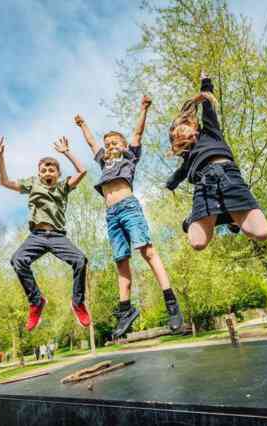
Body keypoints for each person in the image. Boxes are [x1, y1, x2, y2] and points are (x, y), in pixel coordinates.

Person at [74, 96, 184, 339]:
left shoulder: (129, 157)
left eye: (115, 142)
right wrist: (83, 126)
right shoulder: (104, 161)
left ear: (124, 146)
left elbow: (137, 133)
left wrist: (143, 108)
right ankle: (126, 310)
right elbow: (93, 143)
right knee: (120, 261)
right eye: (108, 143)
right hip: (110, 215)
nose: (110, 145)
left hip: (128, 207)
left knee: (148, 252)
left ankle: (171, 303)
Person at [0, 135, 91, 332]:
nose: (47, 172)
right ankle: (36, 301)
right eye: (43, 170)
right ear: (39, 174)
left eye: (51, 169)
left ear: (58, 174)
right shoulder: (33, 184)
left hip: (58, 236)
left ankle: (78, 303)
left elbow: (82, 170)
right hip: (36, 236)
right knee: (18, 260)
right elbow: (4, 182)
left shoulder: (63, 186)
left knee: (80, 260)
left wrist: (66, 152)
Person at [166, 71, 267, 250]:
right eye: (175, 132)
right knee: (198, 243)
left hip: (229, 177)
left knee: (261, 233)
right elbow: (181, 173)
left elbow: (208, 105)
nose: (179, 130)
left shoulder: (210, 131)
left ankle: (230, 214)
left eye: (181, 125)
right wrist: (170, 184)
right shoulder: (188, 155)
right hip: (204, 184)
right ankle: (194, 217)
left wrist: (205, 84)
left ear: (193, 125)